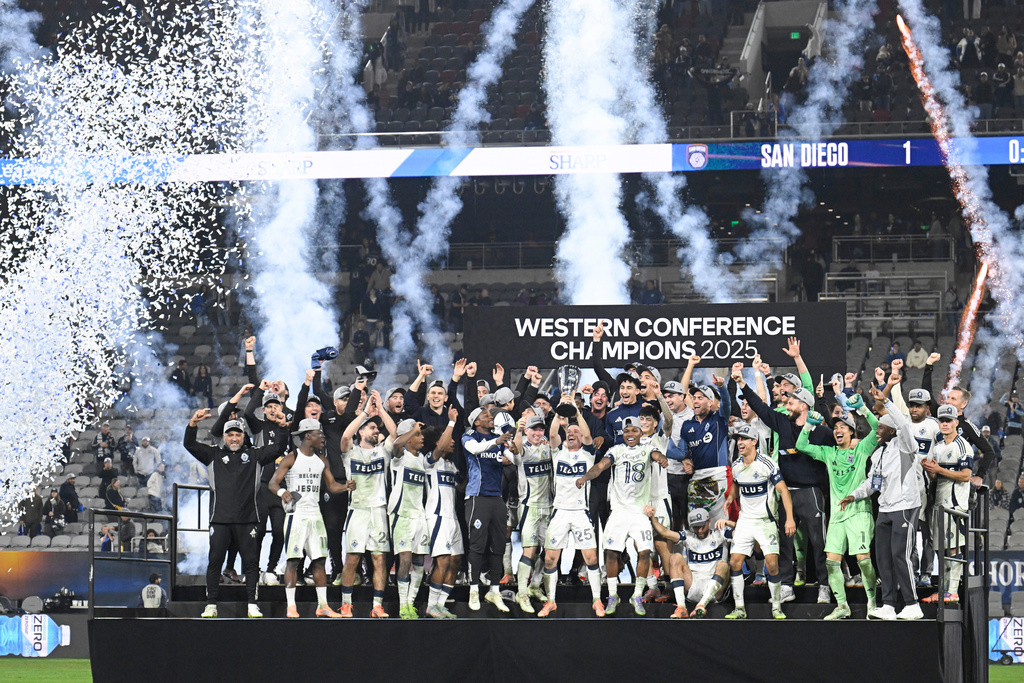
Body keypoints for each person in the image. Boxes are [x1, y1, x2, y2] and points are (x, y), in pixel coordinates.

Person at [184, 409, 287, 619]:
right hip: (220, 520)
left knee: (251, 564)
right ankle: (211, 604)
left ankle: (252, 604)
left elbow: (278, 447)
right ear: (224, 437)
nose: (234, 438)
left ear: (243, 436)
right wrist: (192, 424)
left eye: (237, 434)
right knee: (215, 562)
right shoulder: (213, 454)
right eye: (230, 434)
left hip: (248, 519)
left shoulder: (255, 455)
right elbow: (190, 444)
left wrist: (283, 427)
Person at [795, 394, 880, 620]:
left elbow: (878, 428)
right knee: (832, 562)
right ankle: (842, 605)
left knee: (864, 560)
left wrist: (862, 407)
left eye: (843, 426)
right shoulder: (828, 452)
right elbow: (800, 445)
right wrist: (809, 426)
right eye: (836, 427)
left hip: (859, 513)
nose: (838, 429)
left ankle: (872, 603)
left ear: (852, 432)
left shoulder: (861, 450)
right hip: (837, 516)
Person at [841, 398, 925, 620]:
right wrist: (854, 495)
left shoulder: (906, 446)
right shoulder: (878, 453)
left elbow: (905, 425)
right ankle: (888, 604)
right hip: (886, 508)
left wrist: (886, 402)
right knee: (883, 557)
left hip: (905, 506)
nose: (877, 431)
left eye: (881, 427)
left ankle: (912, 604)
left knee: (900, 555)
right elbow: (872, 483)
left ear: (893, 430)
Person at [576, 417, 668, 617]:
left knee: (645, 552)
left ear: (641, 433)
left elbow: (655, 454)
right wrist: (585, 477)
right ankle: (612, 595)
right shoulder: (616, 450)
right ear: (622, 434)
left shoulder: (647, 448)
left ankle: (636, 594)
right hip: (618, 511)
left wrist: (661, 458)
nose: (630, 434)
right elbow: (600, 466)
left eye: (634, 430)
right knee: (611, 553)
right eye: (627, 431)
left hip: (639, 511)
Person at [270, 419, 352, 619]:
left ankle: (322, 605)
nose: (323, 437)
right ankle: (291, 606)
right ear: (308, 436)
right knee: (293, 561)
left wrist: (346, 487)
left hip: (315, 514)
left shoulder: (322, 460)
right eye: (319, 434)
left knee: (319, 560)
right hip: (296, 515)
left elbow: (332, 486)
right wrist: (282, 492)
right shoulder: (291, 458)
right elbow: (273, 482)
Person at [724, 425, 796, 620]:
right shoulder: (737, 464)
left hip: (766, 521)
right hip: (745, 521)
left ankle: (776, 606)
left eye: (744, 439)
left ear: (754, 442)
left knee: (772, 565)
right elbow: (736, 485)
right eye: (739, 439)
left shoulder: (767, 464)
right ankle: (739, 608)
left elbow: (784, 491)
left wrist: (789, 518)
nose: (740, 442)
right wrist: (731, 497)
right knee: (734, 562)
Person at [537, 406, 603, 617]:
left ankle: (597, 600)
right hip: (560, 512)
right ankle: (551, 601)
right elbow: (553, 433)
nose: (572, 433)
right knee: (550, 559)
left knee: (591, 558)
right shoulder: (558, 452)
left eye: (576, 432)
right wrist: (559, 414)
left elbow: (587, 434)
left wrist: (577, 414)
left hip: (580, 512)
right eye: (570, 432)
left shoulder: (588, 453)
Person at [339, 391, 399, 618]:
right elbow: (345, 437)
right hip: (358, 511)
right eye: (373, 428)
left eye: (377, 429)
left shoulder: (382, 452)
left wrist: (381, 410)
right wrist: (365, 413)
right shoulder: (351, 452)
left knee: (379, 559)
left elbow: (395, 433)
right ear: (362, 431)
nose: (377, 431)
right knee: (352, 558)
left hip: (379, 510)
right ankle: (346, 604)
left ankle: (377, 605)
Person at [462, 405, 515, 612]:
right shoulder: (470, 436)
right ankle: (473, 589)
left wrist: (515, 452)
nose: (490, 417)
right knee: (477, 545)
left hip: (497, 498)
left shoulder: (497, 439)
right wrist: (496, 441)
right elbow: (475, 449)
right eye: (486, 416)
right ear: (477, 421)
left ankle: (494, 590)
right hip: (477, 497)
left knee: (498, 546)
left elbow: (512, 460)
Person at [921, 405, 973, 603]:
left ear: (956, 423)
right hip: (939, 502)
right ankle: (944, 590)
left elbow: (966, 475)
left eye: (948, 420)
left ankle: (952, 591)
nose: (944, 423)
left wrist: (939, 470)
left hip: (954, 503)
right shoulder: (938, 445)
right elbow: (935, 477)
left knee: (953, 548)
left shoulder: (962, 445)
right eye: (942, 420)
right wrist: (929, 469)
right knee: (941, 549)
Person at [646, 506, 732, 619]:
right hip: (693, 586)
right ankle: (681, 607)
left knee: (723, 565)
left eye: (702, 526)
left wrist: (729, 523)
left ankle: (702, 605)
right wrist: (652, 517)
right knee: (675, 557)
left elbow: (744, 531)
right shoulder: (688, 536)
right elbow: (665, 533)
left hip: (716, 590)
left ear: (709, 521)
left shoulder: (721, 534)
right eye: (696, 527)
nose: (699, 530)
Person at [387, 420, 433, 619]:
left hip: (418, 515)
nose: (421, 437)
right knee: (404, 560)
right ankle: (402, 605)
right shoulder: (400, 457)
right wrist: (412, 429)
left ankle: (411, 603)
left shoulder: (421, 458)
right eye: (417, 435)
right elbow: (397, 444)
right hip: (401, 514)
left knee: (419, 560)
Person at [509, 413, 554, 614]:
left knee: (549, 551)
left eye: (540, 429)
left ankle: (534, 586)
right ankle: (521, 593)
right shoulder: (522, 450)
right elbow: (516, 451)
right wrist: (518, 431)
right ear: (527, 430)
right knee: (529, 550)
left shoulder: (548, 448)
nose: (537, 433)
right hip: (529, 506)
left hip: (549, 506)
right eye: (533, 429)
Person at [424, 412, 463, 620]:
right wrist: (451, 422)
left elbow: (461, 488)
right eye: (449, 438)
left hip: (453, 518)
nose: (453, 442)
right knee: (442, 561)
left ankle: (440, 604)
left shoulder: (450, 465)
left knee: (455, 561)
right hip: (437, 516)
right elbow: (439, 448)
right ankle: (431, 605)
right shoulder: (429, 461)